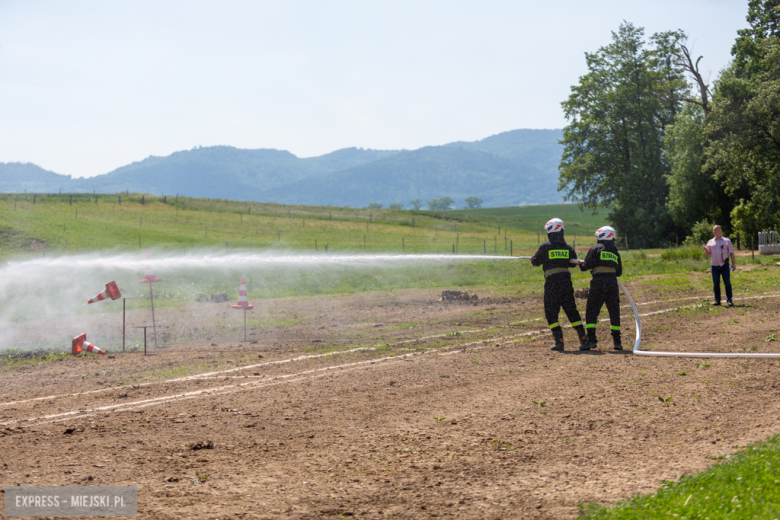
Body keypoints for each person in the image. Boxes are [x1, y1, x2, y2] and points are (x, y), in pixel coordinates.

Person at [530, 218, 588, 352]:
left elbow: (535, 262)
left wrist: (534, 258)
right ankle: (584, 340)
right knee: (571, 310)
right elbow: (572, 264)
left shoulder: (545, 247)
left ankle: (559, 342)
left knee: (551, 312)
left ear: (550, 231)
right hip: (566, 282)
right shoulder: (568, 248)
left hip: (552, 283)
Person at [579, 226, 623, 351]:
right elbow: (619, 272)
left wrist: (580, 263)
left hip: (598, 283)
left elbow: (585, 266)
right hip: (612, 284)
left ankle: (591, 340)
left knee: (592, 310)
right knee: (614, 311)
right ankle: (617, 341)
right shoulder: (615, 252)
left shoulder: (595, 248)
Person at [703, 225, 736, 306]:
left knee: (727, 283)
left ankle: (729, 300)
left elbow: (731, 253)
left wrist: (733, 264)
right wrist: (706, 250)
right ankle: (717, 300)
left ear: (720, 230)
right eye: (713, 230)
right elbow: (707, 255)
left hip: (724, 265)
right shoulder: (710, 241)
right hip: (714, 266)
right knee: (716, 284)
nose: (714, 232)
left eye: (716, 230)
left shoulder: (726, 241)